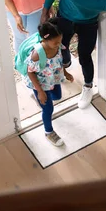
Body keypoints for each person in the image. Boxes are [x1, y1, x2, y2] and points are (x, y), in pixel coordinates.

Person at [25, 18, 74, 146]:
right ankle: (48, 132)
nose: (59, 44)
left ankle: (41, 101)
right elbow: (30, 72)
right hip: (41, 84)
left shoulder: (57, 46)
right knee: (48, 109)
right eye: (56, 42)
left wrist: (66, 73)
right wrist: (40, 91)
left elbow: (59, 60)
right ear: (45, 40)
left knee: (57, 96)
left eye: (60, 41)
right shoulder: (37, 54)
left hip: (54, 78)